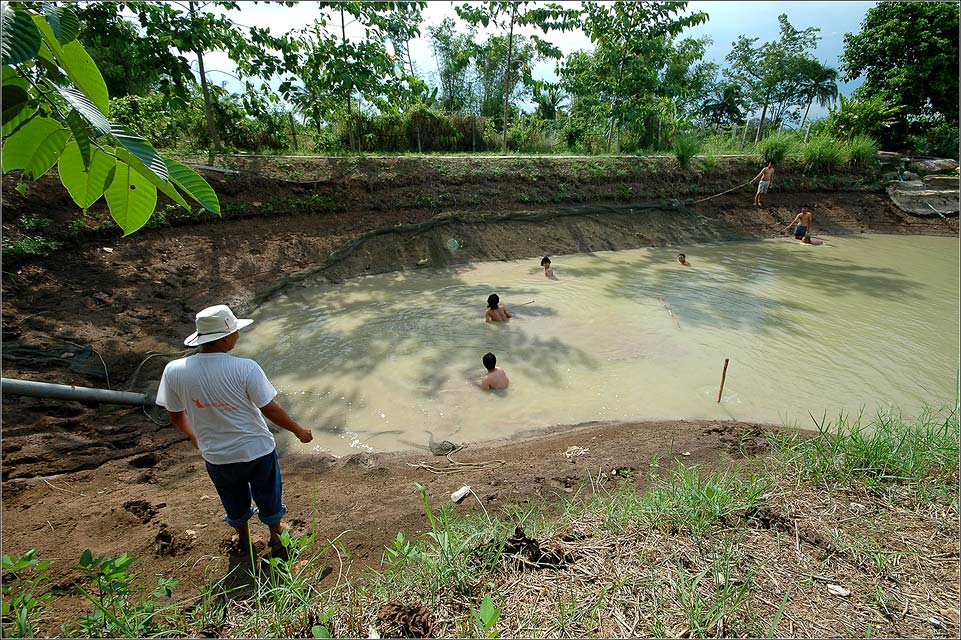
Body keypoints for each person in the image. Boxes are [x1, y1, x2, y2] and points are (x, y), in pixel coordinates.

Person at [156, 304, 313, 557]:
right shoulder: (245, 368)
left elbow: (175, 414)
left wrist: (193, 435)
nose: (238, 337)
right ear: (227, 336)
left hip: (216, 455)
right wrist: (298, 430)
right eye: (236, 332)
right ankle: (275, 534)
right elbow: (269, 409)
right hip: (256, 450)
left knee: (232, 497)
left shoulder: (174, 371)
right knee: (268, 493)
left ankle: (243, 538)